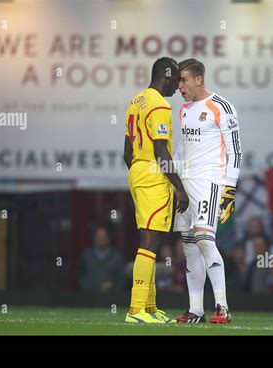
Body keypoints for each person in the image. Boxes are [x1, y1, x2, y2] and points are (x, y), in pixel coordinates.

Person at [173, 58, 242, 324]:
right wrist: (174, 180)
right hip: (186, 183)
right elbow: (183, 147)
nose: (179, 86)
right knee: (189, 247)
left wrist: (229, 191)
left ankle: (222, 307)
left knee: (204, 240)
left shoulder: (221, 107)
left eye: (184, 80)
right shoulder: (185, 110)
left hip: (209, 181)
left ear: (198, 79)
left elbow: (235, 150)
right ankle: (196, 310)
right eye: (179, 81)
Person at [123, 57, 189, 324]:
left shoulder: (135, 102)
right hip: (153, 174)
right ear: (167, 74)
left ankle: (149, 307)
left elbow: (127, 152)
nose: (177, 86)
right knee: (149, 242)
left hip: (137, 170)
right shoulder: (159, 104)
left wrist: (139, 171)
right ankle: (136, 309)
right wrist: (179, 188)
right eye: (176, 79)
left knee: (152, 240)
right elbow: (162, 150)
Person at [77, 226, 124, 293]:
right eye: (98, 237)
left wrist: (114, 289)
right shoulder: (86, 256)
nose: (101, 239)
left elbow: (121, 277)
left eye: (103, 237)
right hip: (89, 296)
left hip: (111, 296)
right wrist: (86, 286)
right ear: (94, 238)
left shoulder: (117, 257)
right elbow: (80, 273)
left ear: (108, 239)